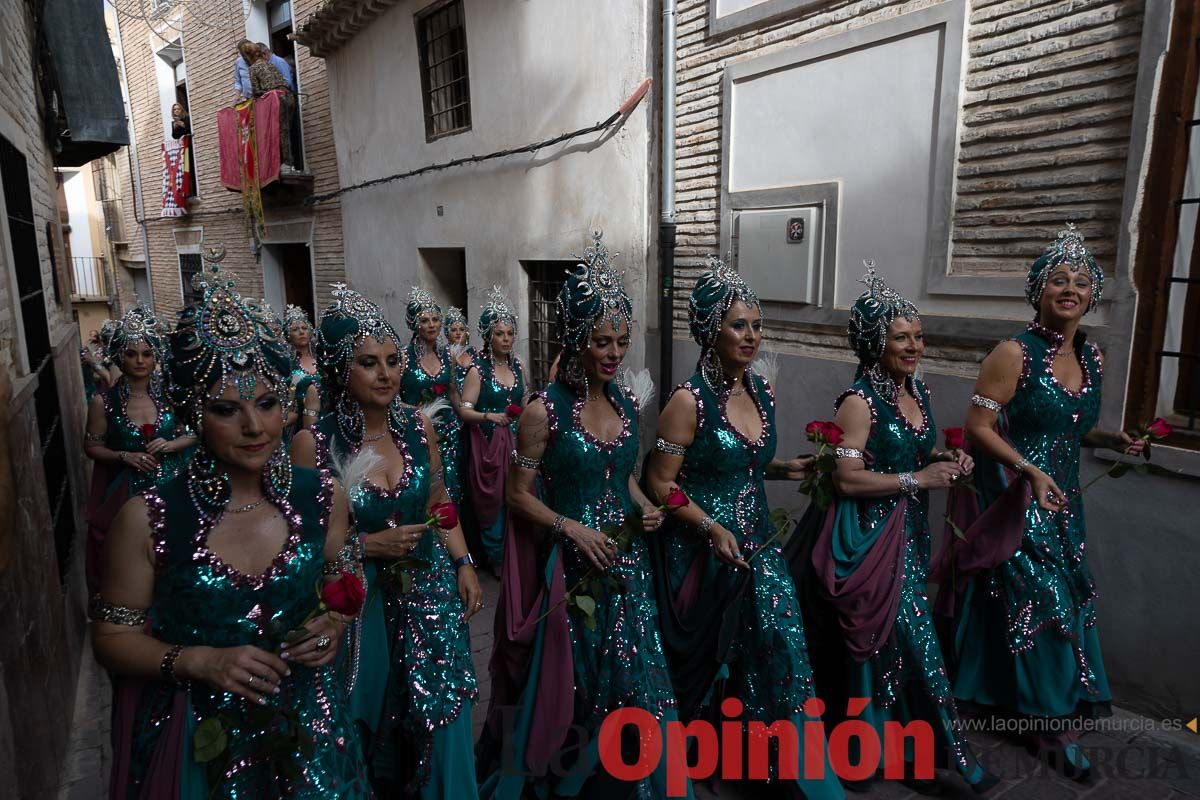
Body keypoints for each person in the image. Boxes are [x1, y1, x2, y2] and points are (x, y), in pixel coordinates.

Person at [95, 257, 370, 798]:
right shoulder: (149, 518)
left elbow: (346, 581)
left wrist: (335, 626)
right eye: (227, 409)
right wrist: (196, 661)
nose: (253, 427)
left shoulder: (321, 495)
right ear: (193, 411)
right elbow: (110, 638)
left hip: (311, 734)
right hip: (200, 746)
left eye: (267, 404)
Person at [479, 231, 690, 798]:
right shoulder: (543, 412)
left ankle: (640, 776)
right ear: (576, 340)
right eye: (602, 341)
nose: (615, 352)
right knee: (580, 680)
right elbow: (517, 495)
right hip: (573, 569)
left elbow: (622, 474)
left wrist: (647, 507)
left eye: (621, 340)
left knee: (637, 670)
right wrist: (570, 528)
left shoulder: (625, 402)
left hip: (627, 561)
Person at [939, 225, 1141, 777]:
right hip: (1015, 498)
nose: (1069, 288)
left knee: (1046, 601)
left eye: (1081, 281)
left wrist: (1110, 439)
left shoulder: (1093, 359)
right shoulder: (1012, 353)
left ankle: (997, 696)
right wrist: (1026, 471)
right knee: (1046, 602)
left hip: (1064, 501)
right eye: (1057, 279)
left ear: (1093, 295)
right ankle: (1050, 728)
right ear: (1038, 291)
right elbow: (977, 425)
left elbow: (1075, 430)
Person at [645, 255, 843, 798]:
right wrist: (709, 526)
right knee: (721, 655)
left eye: (757, 324)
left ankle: (790, 768)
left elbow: (743, 461)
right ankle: (723, 753)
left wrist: (782, 468)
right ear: (711, 331)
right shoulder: (687, 402)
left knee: (779, 640)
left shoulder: (762, 390)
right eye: (739, 324)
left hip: (758, 542)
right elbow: (661, 482)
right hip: (706, 548)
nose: (752, 335)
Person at [809, 262, 996, 793]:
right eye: (900, 337)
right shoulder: (858, 403)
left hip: (910, 533)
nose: (913, 346)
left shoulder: (918, 392)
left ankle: (878, 753)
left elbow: (915, 450)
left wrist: (947, 458)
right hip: (870, 539)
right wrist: (919, 477)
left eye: (917, 335)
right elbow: (846, 478)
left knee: (890, 643)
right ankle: (954, 758)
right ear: (874, 343)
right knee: (904, 639)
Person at [292, 283, 482, 798]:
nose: (387, 374)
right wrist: (367, 548)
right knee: (366, 722)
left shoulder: (419, 427)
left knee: (446, 713)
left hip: (430, 593)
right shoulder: (314, 442)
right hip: (358, 603)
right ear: (339, 369)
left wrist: (463, 562)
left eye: (393, 360)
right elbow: (300, 546)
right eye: (369, 363)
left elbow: (439, 500)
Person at [84, 305, 195, 596]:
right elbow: (92, 446)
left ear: (155, 356)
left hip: (176, 484)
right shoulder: (103, 402)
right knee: (134, 558)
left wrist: (173, 444)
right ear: (120, 356)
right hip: (127, 492)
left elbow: (198, 431)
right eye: (132, 354)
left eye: (146, 354)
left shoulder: (172, 394)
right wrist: (124, 456)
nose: (139, 361)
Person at [459, 287, 526, 569]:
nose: (506, 339)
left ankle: (517, 553)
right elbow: (464, 409)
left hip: (517, 442)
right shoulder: (478, 371)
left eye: (510, 334)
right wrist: (490, 417)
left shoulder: (518, 367)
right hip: (487, 446)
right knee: (494, 501)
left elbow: (523, 399)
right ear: (488, 336)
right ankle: (496, 557)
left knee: (520, 495)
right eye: (500, 333)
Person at [400, 288, 464, 503]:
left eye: (436, 319)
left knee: (451, 486)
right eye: (425, 320)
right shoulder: (403, 358)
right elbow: (392, 397)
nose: (432, 325)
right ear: (414, 324)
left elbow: (454, 393)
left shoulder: (449, 355)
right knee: (424, 486)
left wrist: (469, 417)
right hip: (417, 432)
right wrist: (410, 412)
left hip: (449, 433)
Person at [244, 42, 294, 168]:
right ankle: (289, 164)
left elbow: (256, 92)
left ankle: (283, 165)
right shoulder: (270, 64)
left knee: (277, 134)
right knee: (286, 132)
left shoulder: (253, 68)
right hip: (288, 97)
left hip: (276, 100)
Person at [284, 304, 321, 432]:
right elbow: (289, 396)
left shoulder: (322, 359)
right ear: (288, 335)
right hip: (300, 423)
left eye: (304, 328)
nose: (301, 332)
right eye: (295, 329)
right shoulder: (288, 364)